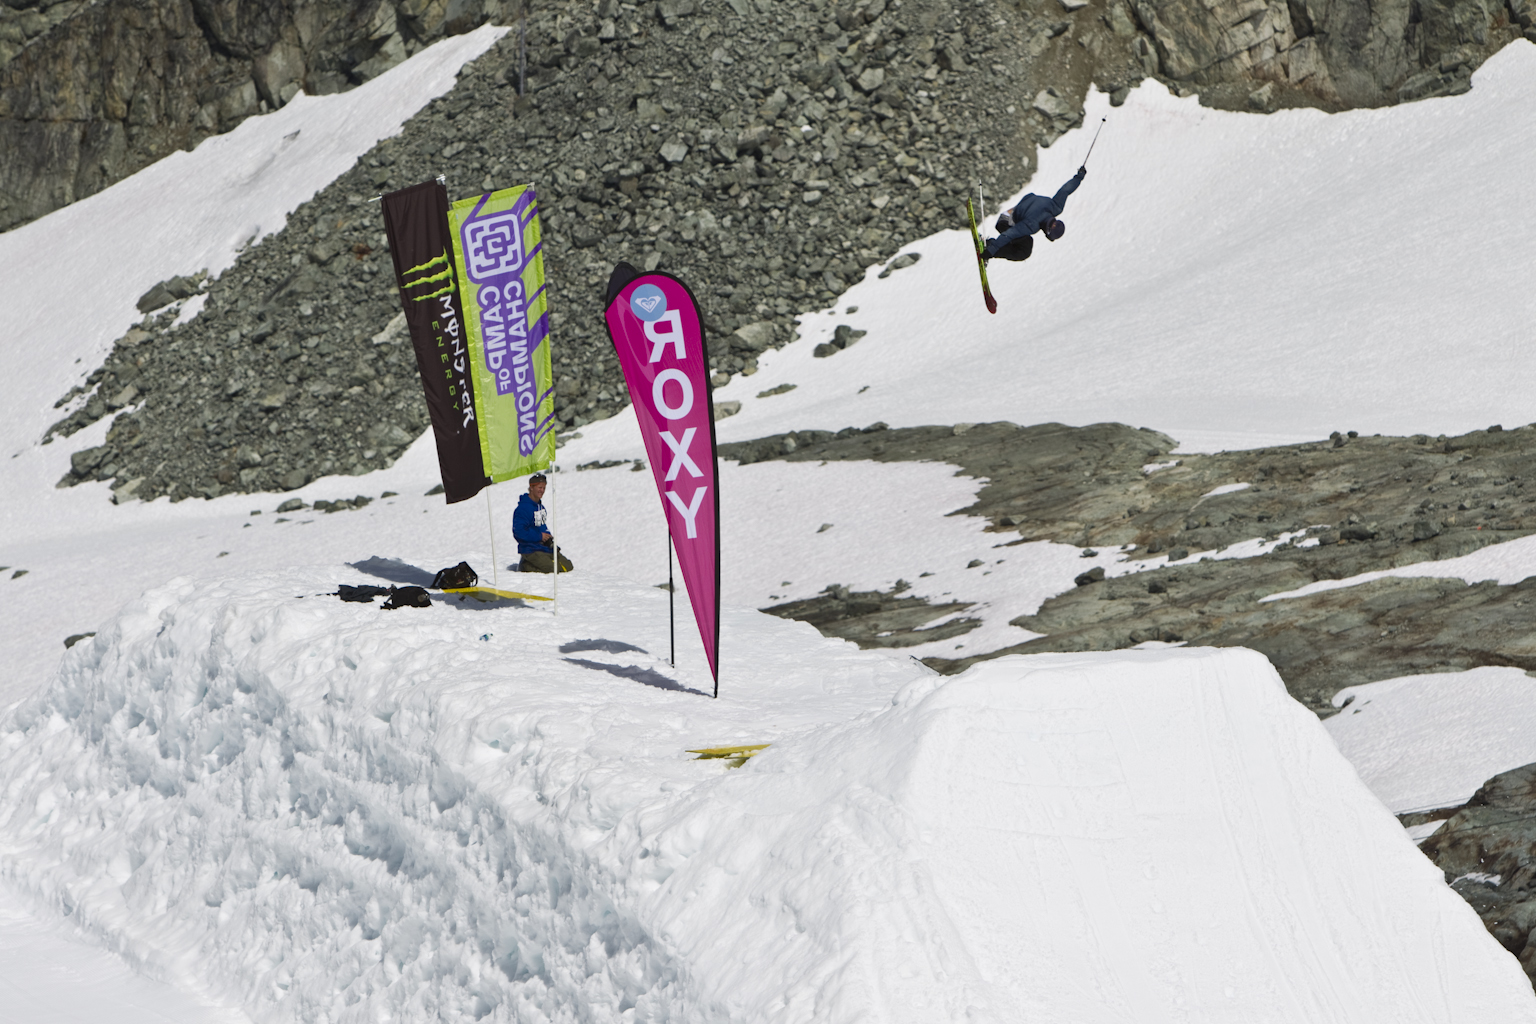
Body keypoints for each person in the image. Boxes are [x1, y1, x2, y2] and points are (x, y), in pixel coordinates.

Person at [981, 165, 1087, 262]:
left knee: (1024, 239)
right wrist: (991, 250)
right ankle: (989, 247)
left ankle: (992, 245)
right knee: (1024, 250)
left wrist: (1079, 176)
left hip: (1015, 213)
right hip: (1005, 221)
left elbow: (1065, 190)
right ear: (1048, 231)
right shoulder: (1032, 225)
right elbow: (1010, 234)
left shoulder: (1056, 207)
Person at [513, 473, 574, 573]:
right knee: (554, 569)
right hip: (530, 549)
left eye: (544, 488)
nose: (542, 490)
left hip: (543, 547)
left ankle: (532, 563)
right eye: (540, 487)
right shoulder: (523, 509)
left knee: (567, 566)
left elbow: (541, 526)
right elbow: (519, 532)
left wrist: (548, 538)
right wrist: (539, 536)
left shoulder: (540, 507)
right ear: (531, 487)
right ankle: (525, 565)